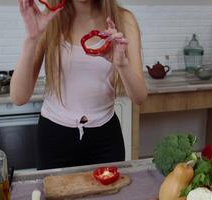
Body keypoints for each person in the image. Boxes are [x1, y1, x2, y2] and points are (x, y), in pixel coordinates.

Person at [10, 0, 148, 170]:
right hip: (54, 139)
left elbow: (140, 97)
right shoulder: (50, 18)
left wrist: (121, 64)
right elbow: (18, 97)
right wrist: (32, 39)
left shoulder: (124, 20)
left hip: (105, 140)